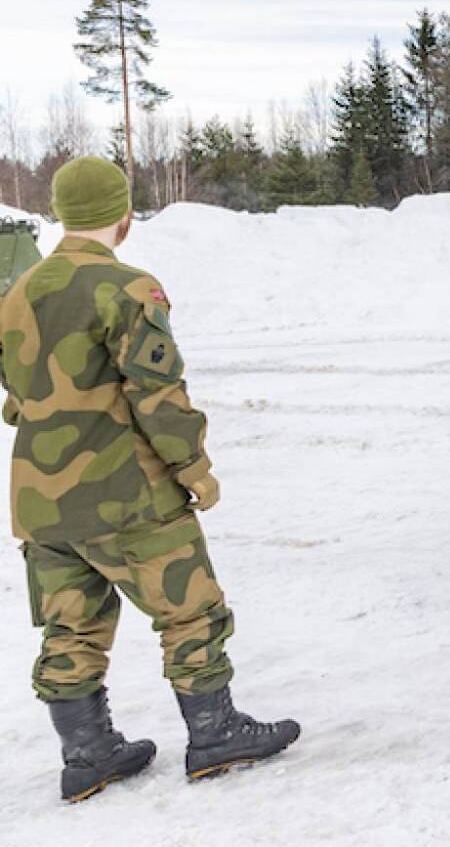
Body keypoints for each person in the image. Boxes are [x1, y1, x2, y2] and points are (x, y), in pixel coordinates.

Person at [1, 157, 299, 803]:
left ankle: (87, 754)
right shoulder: (128, 288)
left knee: (69, 626)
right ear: (123, 218)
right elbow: (158, 395)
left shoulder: (17, 293)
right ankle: (215, 733)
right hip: (123, 492)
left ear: (59, 214)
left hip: (40, 500)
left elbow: (16, 395)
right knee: (191, 607)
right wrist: (195, 470)